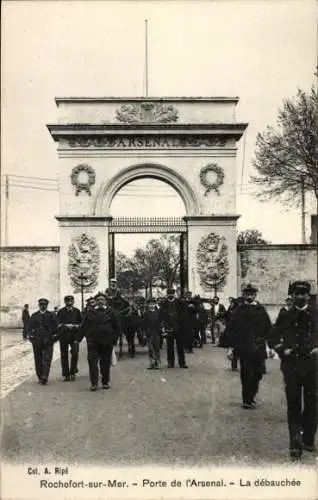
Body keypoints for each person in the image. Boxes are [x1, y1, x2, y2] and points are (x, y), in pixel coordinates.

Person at [268, 281, 317, 460]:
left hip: (313, 365)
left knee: (313, 404)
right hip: (292, 365)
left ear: (308, 296)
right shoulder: (286, 316)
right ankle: (294, 443)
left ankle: (308, 438)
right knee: (294, 404)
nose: (299, 297)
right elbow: (272, 337)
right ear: (292, 296)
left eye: (303, 294)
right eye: (296, 294)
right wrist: (282, 349)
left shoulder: (315, 314)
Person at [227, 284, 272, 409]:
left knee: (258, 373)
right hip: (244, 346)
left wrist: (269, 347)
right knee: (246, 373)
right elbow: (231, 329)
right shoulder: (239, 310)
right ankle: (246, 400)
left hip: (259, 346)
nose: (249, 297)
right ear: (243, 295)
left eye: (252, 294)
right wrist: (230, 348)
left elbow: (268, 329)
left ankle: (252, 395)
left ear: (255, 295)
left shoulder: (261, 310)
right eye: (247, 294)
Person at [78, 292, 119, 391]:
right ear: (95, 302)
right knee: (92, 362)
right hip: (93, 342)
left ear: (105, 301)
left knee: (105, 363)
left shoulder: (111, 312)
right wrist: (78, 339)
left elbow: (117, 327)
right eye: (98, 300)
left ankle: (105, 382)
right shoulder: (90, 313)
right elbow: (84, 326)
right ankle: (94, 383)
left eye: (102, 299)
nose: (100, 301)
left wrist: (114, 339)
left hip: (106, 342)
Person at [28, 298, 58, 385]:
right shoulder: (34, 315)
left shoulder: (52, 315)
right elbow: (29, 327)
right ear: (39, 305)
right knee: (38, 359)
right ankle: (40, 376)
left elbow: (57, 327)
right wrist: (31, 338)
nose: (43, 306)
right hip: (37, 341)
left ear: (47, 305)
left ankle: (45, 376)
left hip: (48, 341)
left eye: (44, 304)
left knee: (47, 359)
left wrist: (54, 338)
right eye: (41, 304)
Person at [159, 288, 188, 369]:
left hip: (179, 328)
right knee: (169, 346)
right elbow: (161, 316)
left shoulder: (180, 303)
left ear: (174, 294)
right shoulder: (164, 304)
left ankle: (182, 363)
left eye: (172, 294)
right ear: (167, 295)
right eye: (169, 294)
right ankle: (170, 363)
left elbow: (184, 315)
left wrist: (182, 325)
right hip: (169, 328)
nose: (170, 295)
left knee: (180, 346)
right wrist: (163, 326)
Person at [56, 295, 82, 381]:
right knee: (64, 355)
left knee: (75, 354)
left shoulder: (77, 311)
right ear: (65, 302)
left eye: (71, 301)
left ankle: (73, 372)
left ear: (73, 302)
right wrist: (66, 326)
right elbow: (58, 324)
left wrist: (76, 326)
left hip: (74, 336)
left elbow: (81, 323)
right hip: (64, 336)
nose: (69, 303)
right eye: (67, 302)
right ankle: (66, 374)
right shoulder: (60, 312)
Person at [144, 298, 162, 369]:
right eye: (150, 304)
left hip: (156, 332)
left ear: (155, 304)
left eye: (153, 304)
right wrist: (145, 334)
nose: (151, 305)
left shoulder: (158, 312)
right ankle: (152, 363)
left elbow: (160, 322)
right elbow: (144, 324)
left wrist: (160, 330)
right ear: (148, 305)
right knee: (150, 349)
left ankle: (157, 363)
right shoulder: (146, 313)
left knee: (157, 347)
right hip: (149, 333)